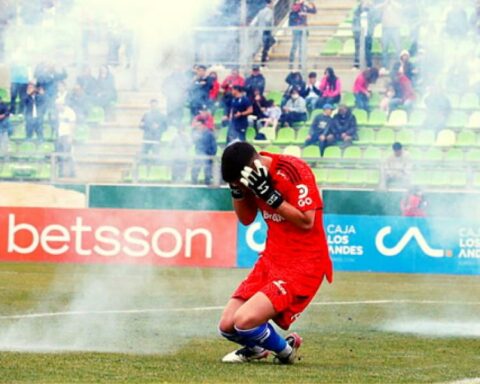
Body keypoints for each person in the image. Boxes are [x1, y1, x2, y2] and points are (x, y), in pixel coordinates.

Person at [218, 141, 332, 364]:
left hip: (304, 263)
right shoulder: (250, 179)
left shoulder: (293, 170)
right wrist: (237, 190)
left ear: (251, 167)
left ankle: (286, 351)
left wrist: (270, 195)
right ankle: (257, 350)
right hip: (272, 259)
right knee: (227, 326)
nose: (241, 187)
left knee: (243, 321)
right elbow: (246, 219)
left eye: (239, 183)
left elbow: (307, 221)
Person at [288, 0, 317, 69]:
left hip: (303, 28)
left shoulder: (304, 7)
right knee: (294, 45)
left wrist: (312, 4)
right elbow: (295, 10)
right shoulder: (295, 6)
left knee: (302, 46)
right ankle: (291, 62)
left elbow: (314, 11)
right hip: (297, 28)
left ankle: (300, 63)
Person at [191, 118, 217, 185]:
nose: (197, 127)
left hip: (208, 157)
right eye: (197, 126)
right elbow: (195, 145)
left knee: (207, 174)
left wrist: (210, 155)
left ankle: (207, 187)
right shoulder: (196, 134)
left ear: (203, 125)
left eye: (199, 125)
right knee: (194, 172)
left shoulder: (209, 134)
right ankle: (193, 186)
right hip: (198, 156)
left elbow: (214, 146)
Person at [55, 101, 76, 178]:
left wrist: (71, 137)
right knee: (59, 155)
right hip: (59, 136)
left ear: (63, 105)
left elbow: (73, 125)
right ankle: (60, 173)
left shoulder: (70, 112)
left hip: (66, 136)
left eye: (59, 105)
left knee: (68, 155)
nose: (57, 107)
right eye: (57, 106)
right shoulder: (57, 113)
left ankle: (72, 172)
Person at [353, 0, 375, 68]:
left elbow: (374, 21)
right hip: (359, 33)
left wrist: (370, 32)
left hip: (368, 34)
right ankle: (356, 65)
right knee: (357, 49)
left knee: (368, 50)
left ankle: (369, 65)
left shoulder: (371, 12)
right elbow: (355, 21)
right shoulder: (357, 12)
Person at [254, 0, 275, 66]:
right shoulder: (270, 11)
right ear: (270, 3)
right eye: (272, 3)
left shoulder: (261, 11)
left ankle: (264, 58)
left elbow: (257, 21)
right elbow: (268, 20)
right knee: (267, 45)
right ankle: (263, 61)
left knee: (268, 44)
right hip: (266, 30)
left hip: (261, 30)